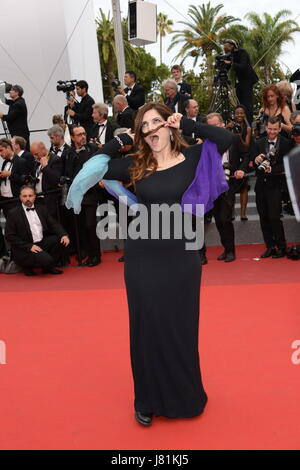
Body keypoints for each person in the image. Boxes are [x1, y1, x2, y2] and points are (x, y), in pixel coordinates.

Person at [67, 103, 233, 425]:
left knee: (180, 328)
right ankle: (146, 399)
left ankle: (186, 396)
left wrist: (188, 122)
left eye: (157, 122)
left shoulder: (194, 158)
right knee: (146, 330)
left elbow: (225, 138)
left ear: (169, 126)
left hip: (182, 257)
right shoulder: (135, 165)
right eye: (145, 126)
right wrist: (119, 142)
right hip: (143, 257)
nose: (151, 129)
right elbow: (91, 166)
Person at [207, 113, 250, 261]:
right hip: (212, 185)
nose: (213, 129)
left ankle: (231, 250)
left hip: (229, 183)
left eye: (215, 126)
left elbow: (246, 155)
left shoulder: (234, 138)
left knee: (225, 218)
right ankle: (226, 248)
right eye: (210, 127)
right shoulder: (206, 143)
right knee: (218, 219)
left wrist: (242, 169)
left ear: (222, 125)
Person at [5, 185, 69, 276]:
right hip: (24, 248)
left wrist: (63, 234)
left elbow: (53, 224)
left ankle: (47, 267)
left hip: (40, 242)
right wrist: (29, 246)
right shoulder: (13, 213)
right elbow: (9, 236)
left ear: (35, 196)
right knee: (47, 260)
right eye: (25, 196)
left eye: (30, 196)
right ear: (20, 197)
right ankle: (27, 266)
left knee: (60, 240)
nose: (28, 198)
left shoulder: (41, 209)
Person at [253, 116, 292, 258]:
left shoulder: (287, 143)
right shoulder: (258, 142)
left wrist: (273, 169)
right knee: (263, 218)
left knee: (275, 217)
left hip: (276, 185)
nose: (272, 132)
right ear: (266, 127)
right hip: (260, 186)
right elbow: (252, 163)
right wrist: (256, 160)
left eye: (275, 129)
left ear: (280, 129)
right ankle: (270, 246)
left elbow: (288, 164)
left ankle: (281, 246)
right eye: (269, 128)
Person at [62, 126, 101, 266]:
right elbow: (66, 172)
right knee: (80, 226)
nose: (83, 136)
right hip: (75, 195)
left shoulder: (94, 149)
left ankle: (95, 255)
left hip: (90, 193)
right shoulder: (68, 153)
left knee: (90, 224)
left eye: (84, 133)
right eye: (79, 135)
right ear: (72, 137)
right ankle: (84, 252)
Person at [226, 105, 253, 220]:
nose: (239, 115)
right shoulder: (230, 126)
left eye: (241, 113)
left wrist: (238, 136)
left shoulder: (248, 128)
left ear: (244, 114)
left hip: (243, 159)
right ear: (234, 114)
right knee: (229, 188)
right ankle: (231, 212)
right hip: (232, 158)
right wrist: (227, 128)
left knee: (244, 187)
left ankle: (243, 213)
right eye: (237, 113)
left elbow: (246, 146)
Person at [222, 39, 258, 124]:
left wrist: (231, 63)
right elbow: (227, 68)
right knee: (239, 105)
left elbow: (243, 66)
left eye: (226, 46)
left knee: (247, 105)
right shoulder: (231, 55)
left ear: (232, 46)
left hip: (247, 82)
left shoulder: (242, 52)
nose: (225, 48)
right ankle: (239, 124)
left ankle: (248, 124)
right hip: (239, 84)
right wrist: (223, 64)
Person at [0, 138, 28, 218]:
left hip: (15, 200)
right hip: (4, 200)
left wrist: (10, 174)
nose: (0, 153)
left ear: (8, 148)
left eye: (1, 150)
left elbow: (24, 181)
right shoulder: (5, 162)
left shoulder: (21, 161)